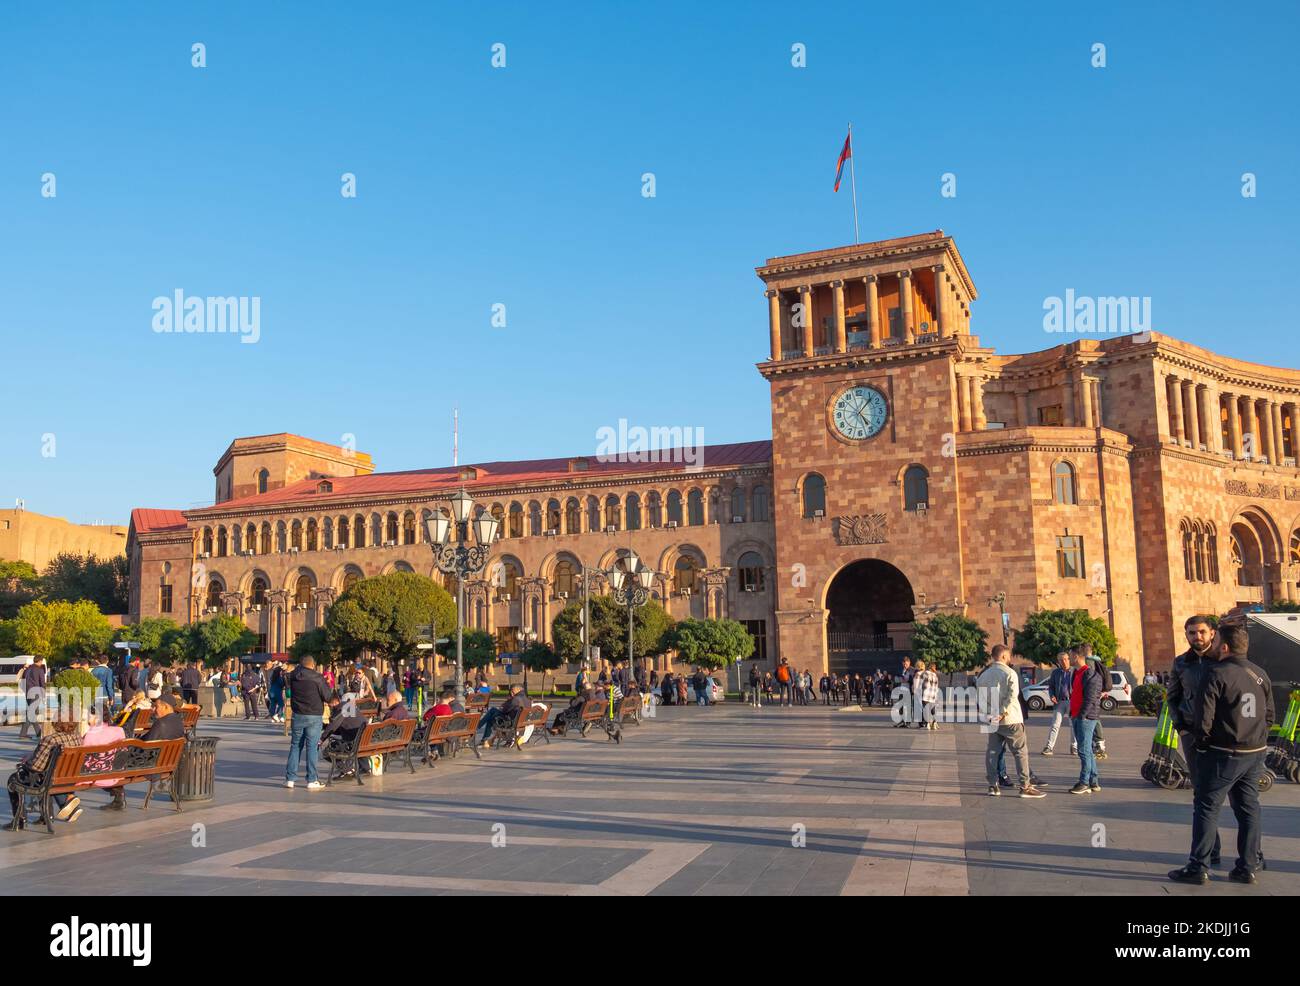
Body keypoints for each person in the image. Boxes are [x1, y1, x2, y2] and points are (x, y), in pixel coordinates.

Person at [1168, 624, 1274, 885]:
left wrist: (1201, 743)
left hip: (1223, 752)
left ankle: (1198, 866)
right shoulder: (1260, 674)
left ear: (1224, 646)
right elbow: (1270, 715)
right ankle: (1247, 866)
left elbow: (1205, 717)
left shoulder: (1216, 673)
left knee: (1206, 807)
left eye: (1216, 642)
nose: (1211, 645)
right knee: (1248, 809)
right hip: (1254, 751)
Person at [1166, 615, 1221, 863]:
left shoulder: (1224, 661)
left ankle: (1251, 854)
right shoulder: (1181, 663)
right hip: (1192, 734)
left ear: (1212, 633)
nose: (1196, 637)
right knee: (1201, 793)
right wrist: (1181, 727)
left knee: (1237, 796)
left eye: (1201, 632)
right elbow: (1173, 697)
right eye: (1191, 633)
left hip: (1224, 736)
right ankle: (1211, 850)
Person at [976, 645, 1045, 798]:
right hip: (1011, 718)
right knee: (1020, 752)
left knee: (992, 752)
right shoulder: (1009, 673)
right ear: (1004, 656)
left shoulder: (983, 676)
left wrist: (990, 714)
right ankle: (1025, 786)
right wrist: (1002, 712)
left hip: (992, 719)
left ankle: (993, 785)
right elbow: (1012, 696)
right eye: (1008, 656)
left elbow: (980, 699)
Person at [6, 711, 85, 829]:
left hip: (50, 779)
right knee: (49, 775)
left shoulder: (50, 739)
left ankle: (20, 820)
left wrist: (26, 762)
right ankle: (60, 807)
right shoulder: (78, 738)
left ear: (56, 723)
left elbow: (36, 766)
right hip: (68, 778)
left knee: (13, 779)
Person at [283, 657, 331, 790]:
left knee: (295, 746)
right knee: (312, 747)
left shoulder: (293, 675)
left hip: (297, 714)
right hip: (314, 715)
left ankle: (290, 779)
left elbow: (286, 684)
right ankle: (312, 779)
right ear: (313, 665)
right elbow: (327, 696)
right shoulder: (318, 677)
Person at [1068, 649, 1104, 794]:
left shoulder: (1090, 674)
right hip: (1077, 716)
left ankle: (1084, 783)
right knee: (1087, 750)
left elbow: (1090, 698)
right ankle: (1093, 781)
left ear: (1077, 657)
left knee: (1083, 751)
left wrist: (1082, 715)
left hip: (1086, 718)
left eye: (1070, 656)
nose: (1069, 658)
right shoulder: (1076, 673)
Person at [1041, 652, 1076, 756]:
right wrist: (1052, 695)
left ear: (1069, 659)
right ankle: (1049, 747)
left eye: (1065, 659)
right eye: (1061, 660)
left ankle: (1074, 747)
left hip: (1072, 701)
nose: (1064, 661)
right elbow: (1051, 686)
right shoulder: (1056, 673)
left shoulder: (1075, 672)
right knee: (1055, 725)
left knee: (1073, 725)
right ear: (1058, 661)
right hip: (1059, 702)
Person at [17, 656, 47, 740]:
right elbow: (42, 683)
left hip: (28, 693)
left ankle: (38, 733)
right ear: (40, 661)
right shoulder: (39, 670)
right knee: (31, 713)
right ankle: (23, 734)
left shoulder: (27, 669)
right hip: (36, 692)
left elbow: (22, 681)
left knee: (32, 712)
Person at [916, 659, 940, 730]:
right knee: (932, 710)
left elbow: (920, 684)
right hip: (933, 696)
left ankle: (927, 725)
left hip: (926, 695)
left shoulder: (925, 673)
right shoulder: (935, 676)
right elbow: (936, 687)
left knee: (926, 710)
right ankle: (934, 724)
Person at [895, 657, 914, 728]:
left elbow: (913, 680)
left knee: (908, 707)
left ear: (909, 663)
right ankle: (902, 721)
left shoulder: (912, 670)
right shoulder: (902, 669)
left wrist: (907, 680)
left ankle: (908, 723)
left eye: (906, 664)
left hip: (908, 690)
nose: (905, 665)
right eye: (904, 664)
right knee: (900, 706)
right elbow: (897, 677)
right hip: (901, 689)